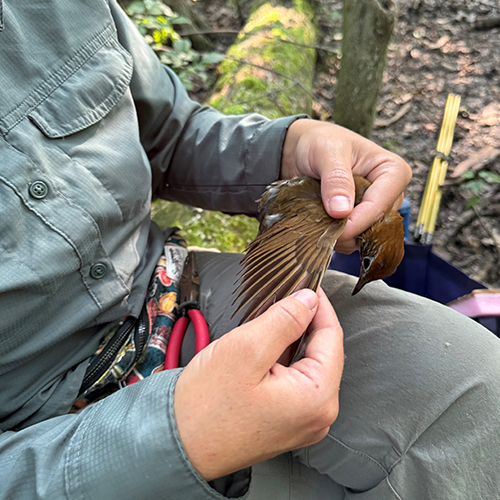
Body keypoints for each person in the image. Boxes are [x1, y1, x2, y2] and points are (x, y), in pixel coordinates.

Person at [1, 1, 500, 499]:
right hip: (35, 431)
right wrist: (174, 440)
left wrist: (287, 146)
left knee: (475, 388)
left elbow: (168, 135)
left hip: (164, 293)